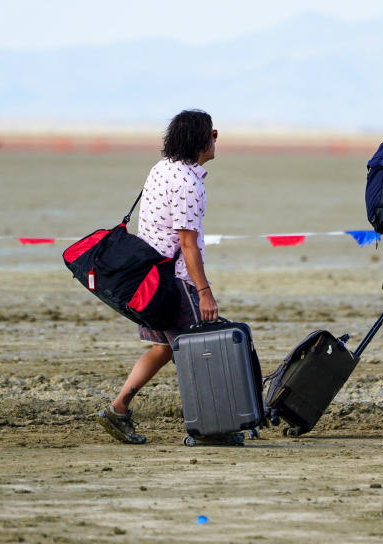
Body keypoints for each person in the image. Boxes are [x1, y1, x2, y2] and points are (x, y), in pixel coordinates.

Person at [97, 109, 219, 444]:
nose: (216, 138)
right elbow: (187, 245)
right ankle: (209, 427)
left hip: (148, 278)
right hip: (175, 281)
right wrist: (204, 291)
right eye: (212, 132)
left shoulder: (162, 169)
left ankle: (117, 409)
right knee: (201, 349)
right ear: (199, 139)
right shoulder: (187, 183)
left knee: (163, 348)